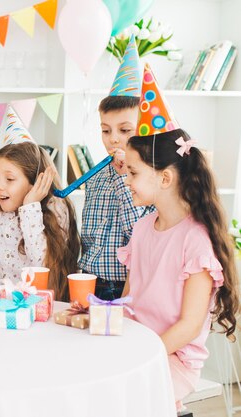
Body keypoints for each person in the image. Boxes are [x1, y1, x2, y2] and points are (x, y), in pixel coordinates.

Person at [119, 64, 239, 412]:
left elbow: (187, 326)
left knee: (122, 397)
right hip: (138, 343)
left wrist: (142, 353)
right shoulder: (143, 229)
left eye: (134, 172)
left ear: (166, 179)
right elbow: (130, 296)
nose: (126, 180)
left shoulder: (196, 241)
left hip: (172, 356)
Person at [79, 35, 151, 300]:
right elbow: (88, 232)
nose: (113, 138)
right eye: (105, 130)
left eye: (124, 130)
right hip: (88, 278)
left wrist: (124, 178)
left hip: (125, 285)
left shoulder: (150, 179)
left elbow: (139, 234)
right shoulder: (97, 174)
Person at [0, 136, 80, 302]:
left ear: (35, 182)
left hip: (36, 305)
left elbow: (40, 262)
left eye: (10, 179)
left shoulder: (54, 209)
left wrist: (30, 207)